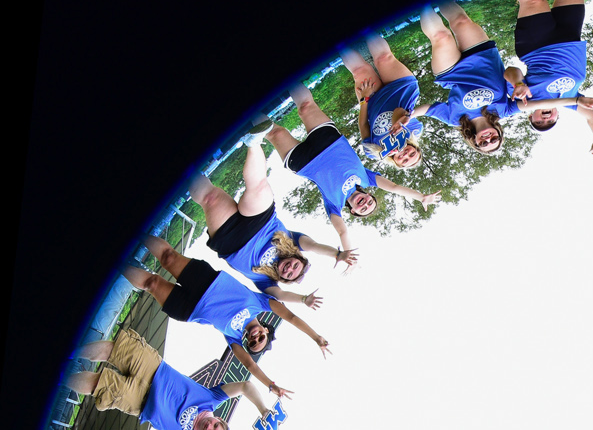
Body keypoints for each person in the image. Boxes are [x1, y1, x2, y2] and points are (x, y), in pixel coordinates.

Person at [121, 234, 329, 385]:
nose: (254, 339)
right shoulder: (262, 304)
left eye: (252, 343)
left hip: (190, 310)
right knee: (168, 257)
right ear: (266, 330)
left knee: (152, 283)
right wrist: (316, 337)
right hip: (206, 280)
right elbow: (291, 317)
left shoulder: (234, 338)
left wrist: (270, 384)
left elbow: (251, 367)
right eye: (260, 339)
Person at [266, 90, 440, 246]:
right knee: (305, 107)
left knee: (276, 133)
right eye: (370, 202)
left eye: (363, 209)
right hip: (329, 141)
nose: (365, 204)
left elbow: (343, 231)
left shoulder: (334, 205)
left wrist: (347, 252)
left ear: (354, 211)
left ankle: (252, 119)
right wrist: (421, 197)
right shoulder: (366, 177)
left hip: (303, 162)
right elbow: (394, 188)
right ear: (369, 194)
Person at [62, 331, 269, 430]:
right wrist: (263, 409)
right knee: (111, 350)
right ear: (218, 419)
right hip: (153, 368)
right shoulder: (211, 399)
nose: (209, 427)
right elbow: (245, 387)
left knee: (97, 384)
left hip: (137, 401)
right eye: (215, 425)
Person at [189, 138, 349, 300]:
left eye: (290, 274)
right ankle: (254, 140)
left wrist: (302, 299)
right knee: (259, 187)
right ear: (297, 256)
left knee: (210, 198)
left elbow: (280, 295)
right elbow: (314, 246)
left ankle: (187, 172)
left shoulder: (267, 281)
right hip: (262, 220)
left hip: (232, 240)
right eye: (295, 265)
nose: (290, 268)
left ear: (283, 279)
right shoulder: (294, 242)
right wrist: (337, 254)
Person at [410, 0, 527, 156]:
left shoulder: (455, 120)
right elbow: (511, 71)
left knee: (441, 37)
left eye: (483, 143)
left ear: (475, 141)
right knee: (461, 20)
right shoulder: (505, 110)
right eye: (494, 139)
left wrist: (407, 117)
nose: (488, 139)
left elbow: (428, 110)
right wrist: (518, 83)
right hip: (483, 57)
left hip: (451, 72)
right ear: (499, 133)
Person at [509, 0, 593, 151]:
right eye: (550, 122)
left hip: (536, 45)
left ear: (530, 116)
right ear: (557, 116)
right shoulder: (572, 100)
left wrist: (518, 83)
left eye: (539, 122)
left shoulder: (524, 100)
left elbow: (510, 71)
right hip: (569, 38)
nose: (546, 119)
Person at [341, 36, 426, 168]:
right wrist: (399, 124)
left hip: (373, 99)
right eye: (412, 154)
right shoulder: (414, 130)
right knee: (383, 58)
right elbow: (399, 111)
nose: (406, 155)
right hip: (401, 90)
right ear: (416, 148)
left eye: (404, 160)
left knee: (359, 71)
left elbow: (363, 125)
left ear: (396, 163)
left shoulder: (373, 151)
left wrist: (364, 99)